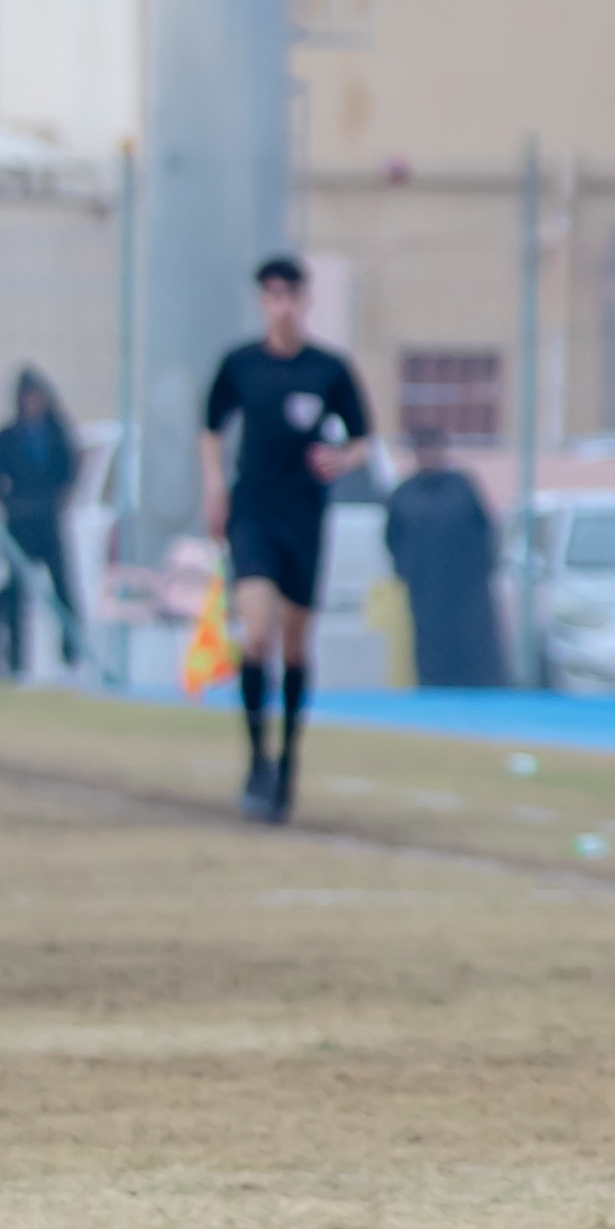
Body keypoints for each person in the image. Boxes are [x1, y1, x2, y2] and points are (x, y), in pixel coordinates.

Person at [197, 255, 372, 823]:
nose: (282, 306)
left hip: (304, 516)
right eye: (272, 296)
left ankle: (289, 760)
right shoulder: (241, 365)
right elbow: (210, 425)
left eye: (290, 295)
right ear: (261, 302)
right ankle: (256, 761)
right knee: (257, 634)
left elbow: (365, 438)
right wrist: (215, 485)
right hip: (253, 513)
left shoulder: (328, 370)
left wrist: (342, 458)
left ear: (305, 300)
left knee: (295, 644)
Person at [381, 424, 510, 688]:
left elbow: (484, 529)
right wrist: (405, 571)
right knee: (431, 646)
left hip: (467, 588)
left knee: (473, 644)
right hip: (425, 587)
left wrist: (485, 568)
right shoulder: (404, 493)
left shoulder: (462, 486)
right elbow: (392, 537)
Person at [0, 367, 83, 673]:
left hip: (48, 521)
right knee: (15, 592)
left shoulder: (56, 434)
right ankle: (16, 662)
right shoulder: (6, 436)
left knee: (64, 588)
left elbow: (69, 472)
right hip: (19, 522)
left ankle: (72, 655)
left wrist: (56, 500)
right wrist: (12, 503)